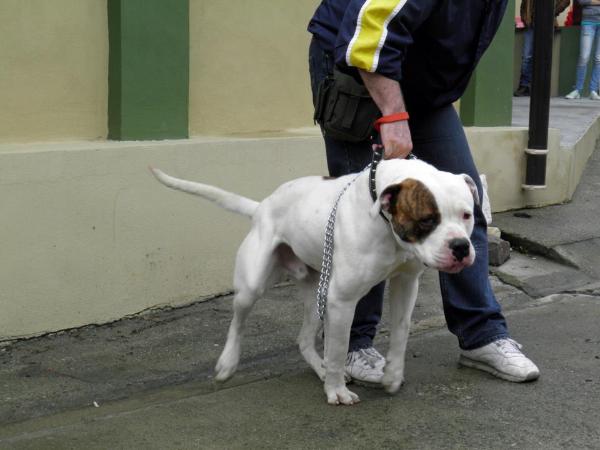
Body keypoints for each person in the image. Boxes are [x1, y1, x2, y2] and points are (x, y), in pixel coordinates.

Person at [308, 0, 540, 384]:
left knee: (464, 205)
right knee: (365, 221)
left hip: (420, 80)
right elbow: (370, 29)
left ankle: (482, 336)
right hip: (360, 60)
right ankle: (351, 344)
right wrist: (394, 116)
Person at [514, 0, 570, 97]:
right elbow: (524, 4)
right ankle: (524, 86)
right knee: (527, 56)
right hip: (530, 23)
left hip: (546, 23)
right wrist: (524, 18)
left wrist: (552, 12)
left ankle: (540, 88)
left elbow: (566, 1)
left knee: (543, 57)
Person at [565, 0, 600, 99]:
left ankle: (593, 90)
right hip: (588, 22)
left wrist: (591, 2)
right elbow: (581, 1)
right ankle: (577, 90)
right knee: (584, 57)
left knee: (599, 58)